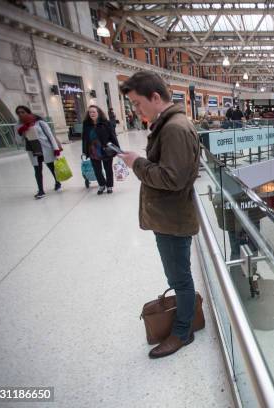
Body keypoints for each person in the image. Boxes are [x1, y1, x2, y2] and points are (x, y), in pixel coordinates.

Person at [118, 71, 200, 358]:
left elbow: (172, 178)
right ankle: (183, 325)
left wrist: (137, 163)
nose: (135, 110)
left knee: (180, 279)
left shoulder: (175, 128)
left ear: (155, 97)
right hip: (169, 217)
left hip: (173, 220)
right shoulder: (169, 125)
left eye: (138, 103)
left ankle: (182, 331)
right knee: (178, 276)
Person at [15, 105, 62, 199]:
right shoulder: (18, 126)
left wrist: (56, 148)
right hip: (32, 150)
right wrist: (22, 132)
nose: (20, 114)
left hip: (45, 148)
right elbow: (18, 141)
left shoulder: (39, 122)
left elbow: (50, 135)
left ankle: (57, 182)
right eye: (18, 113)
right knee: (37, 170)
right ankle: (41, 190)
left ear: (28, 112)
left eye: (22, 112)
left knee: (51, 167)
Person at [82, 105, 121, 194]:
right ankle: (102, 185)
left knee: (108, 169)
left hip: (105, 149)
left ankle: (109, 186)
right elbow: (84, 138)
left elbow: (113, 136)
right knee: (97, 170)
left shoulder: (106, 123)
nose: (91, 114)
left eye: (93, 112)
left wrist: (117, 149)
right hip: (92, 150)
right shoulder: (86, 124)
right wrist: (84, 151)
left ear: (98, 113)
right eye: (90, 112)